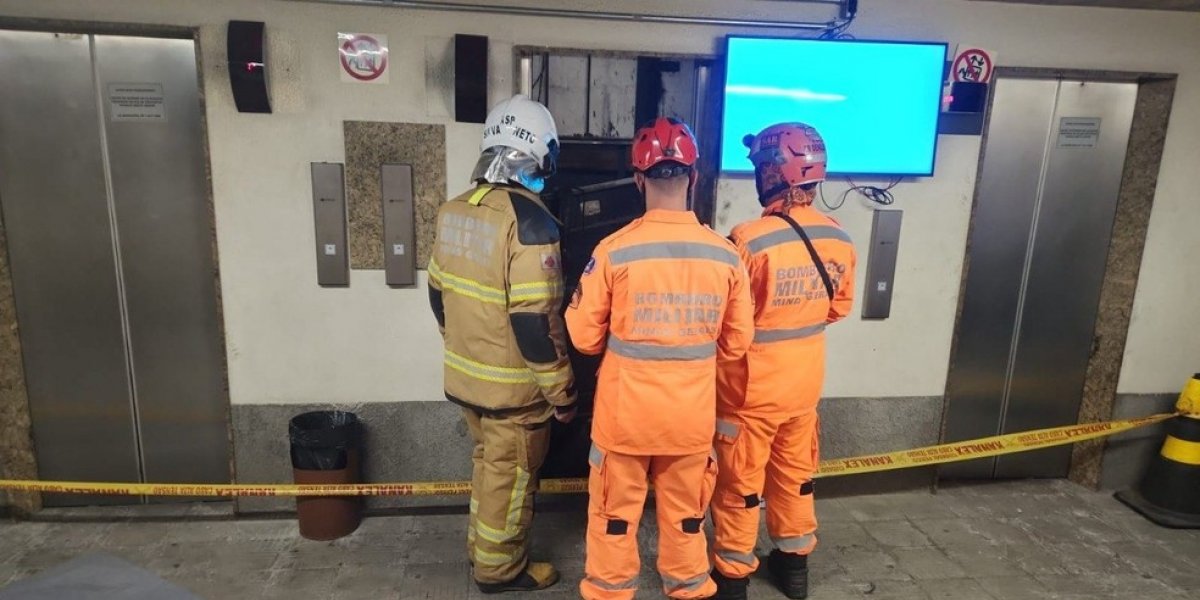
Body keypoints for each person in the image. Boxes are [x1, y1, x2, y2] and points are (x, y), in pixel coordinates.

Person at [566, 117, 755, 600]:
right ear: (694, 178)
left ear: (637, 179)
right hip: (689, 422)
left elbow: (583, 337)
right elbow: (736, 344)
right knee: (687, 521)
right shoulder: (726, 257)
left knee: (613, 522)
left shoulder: (613, 252)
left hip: (624, 421)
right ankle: (689, 588)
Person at [428, 94, 577, 594]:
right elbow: (536, 324)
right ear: (540, 153)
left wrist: (459, 346)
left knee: (488, 469)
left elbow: (437, 294)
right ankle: (499, 570)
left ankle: (480, 549)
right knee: (511, 481)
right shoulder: (530, 222)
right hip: (514, 395)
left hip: (466, 380)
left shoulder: (454, 210)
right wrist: (563, 393)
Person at [709, 123, 857, 600]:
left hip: (749, 393)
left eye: (760, 168)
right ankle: (794, 569)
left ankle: (733, 578)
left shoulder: (748, 240)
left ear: (775, 174)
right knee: (795, 478)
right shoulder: (838, 237)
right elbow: (837, 309)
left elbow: (726, 319)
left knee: (739, 485)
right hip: (803, 387)